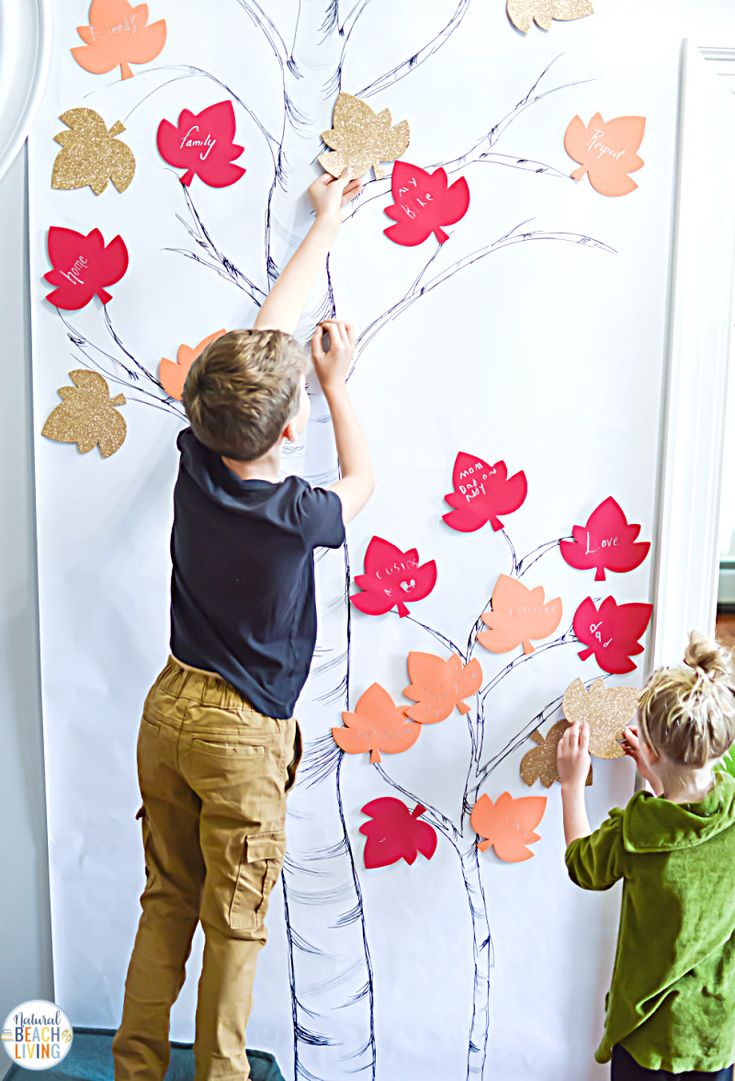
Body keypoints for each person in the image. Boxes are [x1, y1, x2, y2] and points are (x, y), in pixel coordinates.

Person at [112, 169, 373, 1081]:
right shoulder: (299, 512)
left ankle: (136, 1066)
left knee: (165, 900)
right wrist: (340, 387)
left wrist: (326, 225)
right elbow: (364, 486)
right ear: (288, 433)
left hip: (167, 706)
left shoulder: (197, 453)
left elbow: (266, 331)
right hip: (239, 735)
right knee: (235, 922)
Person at [558, 631, 735, 1080]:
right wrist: (661, 779)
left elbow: (582, 863)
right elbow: (692, 818)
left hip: (647, 1038)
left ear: (651, 752)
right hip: (715, 1033)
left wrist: (571, 784)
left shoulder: (637, 830)